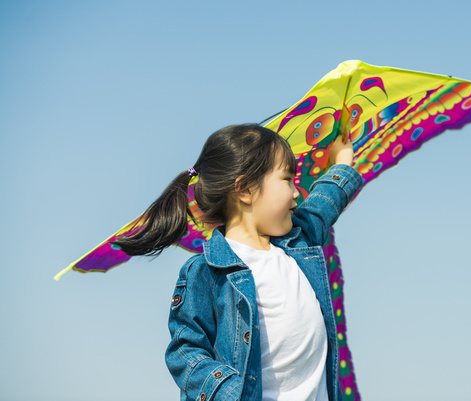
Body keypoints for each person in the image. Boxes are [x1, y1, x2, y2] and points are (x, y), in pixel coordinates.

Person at [114, 124, 361, 401]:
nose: (296, 193)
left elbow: (323, 203)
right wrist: (230, 391)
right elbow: (185, 351)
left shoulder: (297, 243)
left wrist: (343, 161)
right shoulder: (207, 272)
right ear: (245, 189)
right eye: (287, 179)